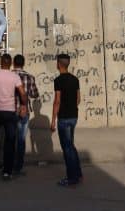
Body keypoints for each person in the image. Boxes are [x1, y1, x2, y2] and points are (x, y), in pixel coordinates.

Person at [0, 53, 28, 181]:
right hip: (9, 112)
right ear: (10, 64)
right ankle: (7, 172)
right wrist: (24, 105)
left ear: (1, 62)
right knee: (10, 141)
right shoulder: (15, 76)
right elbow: (22, 93)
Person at [51, 53, 83, 187]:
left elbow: (57, 101)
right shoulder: (75, 79)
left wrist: (53, 120)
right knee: (71, 146)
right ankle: (78, 174)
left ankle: (71, 178)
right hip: (73, 117)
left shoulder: (58, 80)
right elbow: (78, 99)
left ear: (59, 64)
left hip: (63, 118)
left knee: (67, 148)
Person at [12, 54, 39, 176]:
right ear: (23, 63)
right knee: (21, 140)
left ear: (13, 63)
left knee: (11, 138)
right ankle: (19, 167)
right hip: (24, 110)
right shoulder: (30, 77)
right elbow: (34, 94)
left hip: (11, 110)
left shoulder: (9, 76)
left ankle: (10, 165)